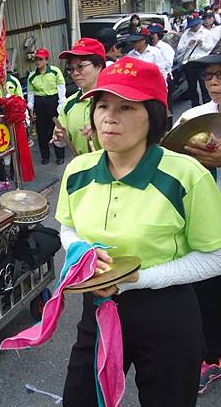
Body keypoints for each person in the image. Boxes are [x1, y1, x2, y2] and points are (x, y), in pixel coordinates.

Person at [56, 56, 221, 406]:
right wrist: (80, 252)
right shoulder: (78, 170)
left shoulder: (186, 174)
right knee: (81, 397)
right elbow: (67, 227)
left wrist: (139, 278)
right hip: (99, 306)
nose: (109, 117)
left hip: (167, 312)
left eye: (127, 107)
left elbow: (216, 257)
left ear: (154, 117)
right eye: (102, 105)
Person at [171, 53, 221, 395]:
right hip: (208, 224)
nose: (214, 82)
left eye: (220, 75)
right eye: (208, 77)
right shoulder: (195, 118)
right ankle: (212, 357)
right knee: (208, 290)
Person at [52, 38, 105, 155]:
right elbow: (64, 139)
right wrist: (60, 138)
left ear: (99, 66)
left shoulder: (117, 100)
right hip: (84, 170)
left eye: (81, 66)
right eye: (71, 69)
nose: (75, 73)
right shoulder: (68, 104)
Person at [26, 47, 66, 165]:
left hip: (52, 101)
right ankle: (45, 156)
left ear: (47, 60)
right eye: (36, 59)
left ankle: (60, 155)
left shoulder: (55, 71)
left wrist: (61, 105)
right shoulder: (32, 76)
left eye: (40, 59)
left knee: (56, 129)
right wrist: (31, 109)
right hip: (40, 103)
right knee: (41, 131)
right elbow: (30, 94)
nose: (38, 62)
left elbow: (61, 89)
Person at [178, 14, 215, 107]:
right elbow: (179, 49)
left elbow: (211, 48)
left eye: (195, 25)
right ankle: (195, 105)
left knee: (204, 86)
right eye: (192, 26)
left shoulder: (206, 33)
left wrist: (202, 44)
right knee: (192, 87)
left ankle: (207, 105)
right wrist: (188, 44)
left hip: (202, 63)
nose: (194, 28)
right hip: (189, 63)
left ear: (199, 23)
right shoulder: (186, 35)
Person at [148, 23, 176, 123]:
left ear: (158, 35)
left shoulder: (165, 47)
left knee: (166, 106)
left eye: (153, 34)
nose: (151, 36)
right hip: (151, 82)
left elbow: (169, 63)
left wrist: (153, 66)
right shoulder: (148, 49)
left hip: (165, 79)